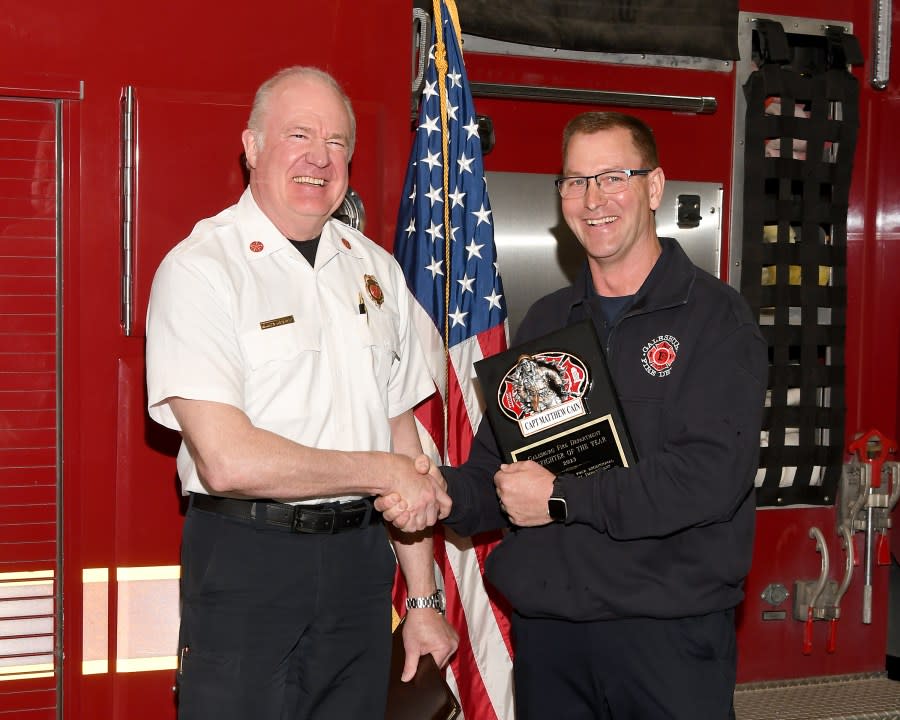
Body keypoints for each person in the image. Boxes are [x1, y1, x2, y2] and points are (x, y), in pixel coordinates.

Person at [380, 111, 768, 719]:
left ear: (655, 187)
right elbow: (496, 473)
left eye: (614, 177)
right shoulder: (548, 322)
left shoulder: (716, 320)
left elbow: (706, 481)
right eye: (576, 181)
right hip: (552, 638)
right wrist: (439, 491)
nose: (594, 200)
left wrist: (561, 498)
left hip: (667, 638)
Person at [145, 66, 457, 720]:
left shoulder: (377, 268)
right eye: (298, 135)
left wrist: (423, 601)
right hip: (249, 564)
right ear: (252, 147)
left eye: (338, 141)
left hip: (359, 566)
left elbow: (400, 433)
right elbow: (228, 461)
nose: (320, 157)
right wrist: (382, 471)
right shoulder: (203, 268)